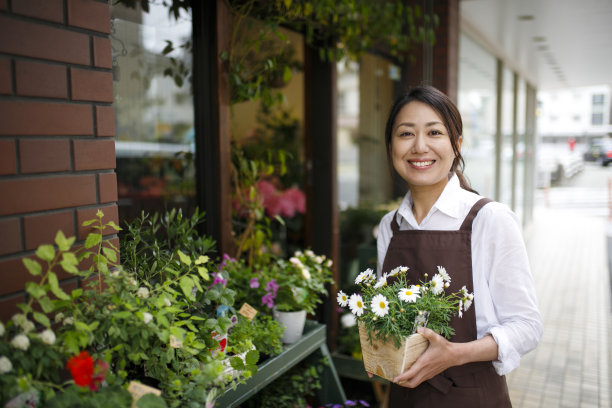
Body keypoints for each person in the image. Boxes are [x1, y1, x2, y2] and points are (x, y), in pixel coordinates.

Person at [374, 85, 542, 407]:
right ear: (391, 146)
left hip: (472, 397)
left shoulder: (487, 219)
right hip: (404, 396)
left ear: (457, 145)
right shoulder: (390, 226)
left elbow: (527, 327)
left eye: (434, 132)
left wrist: (455, 354)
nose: (419, 146)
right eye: (406, 134)